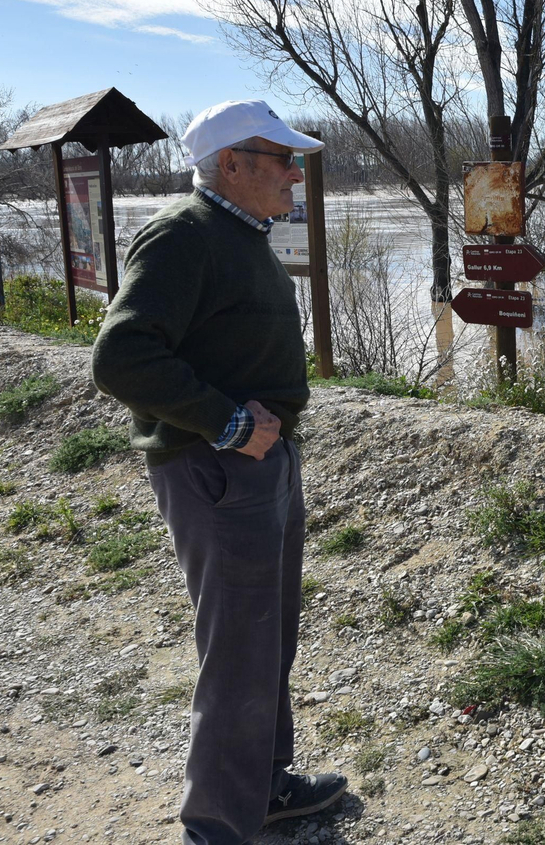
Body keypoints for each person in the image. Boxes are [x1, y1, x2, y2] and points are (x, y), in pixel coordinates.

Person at [91, 100, 347, 845]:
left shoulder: (240, 234)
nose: (294, 173)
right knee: (239, 648)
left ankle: (262, 786)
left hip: (257, 464)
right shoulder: (185, 235)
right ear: (231, 164)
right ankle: (216, 829)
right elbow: (120, 356)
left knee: (266, 638)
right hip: (218, 466)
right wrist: (229, 423)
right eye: (281, 159)